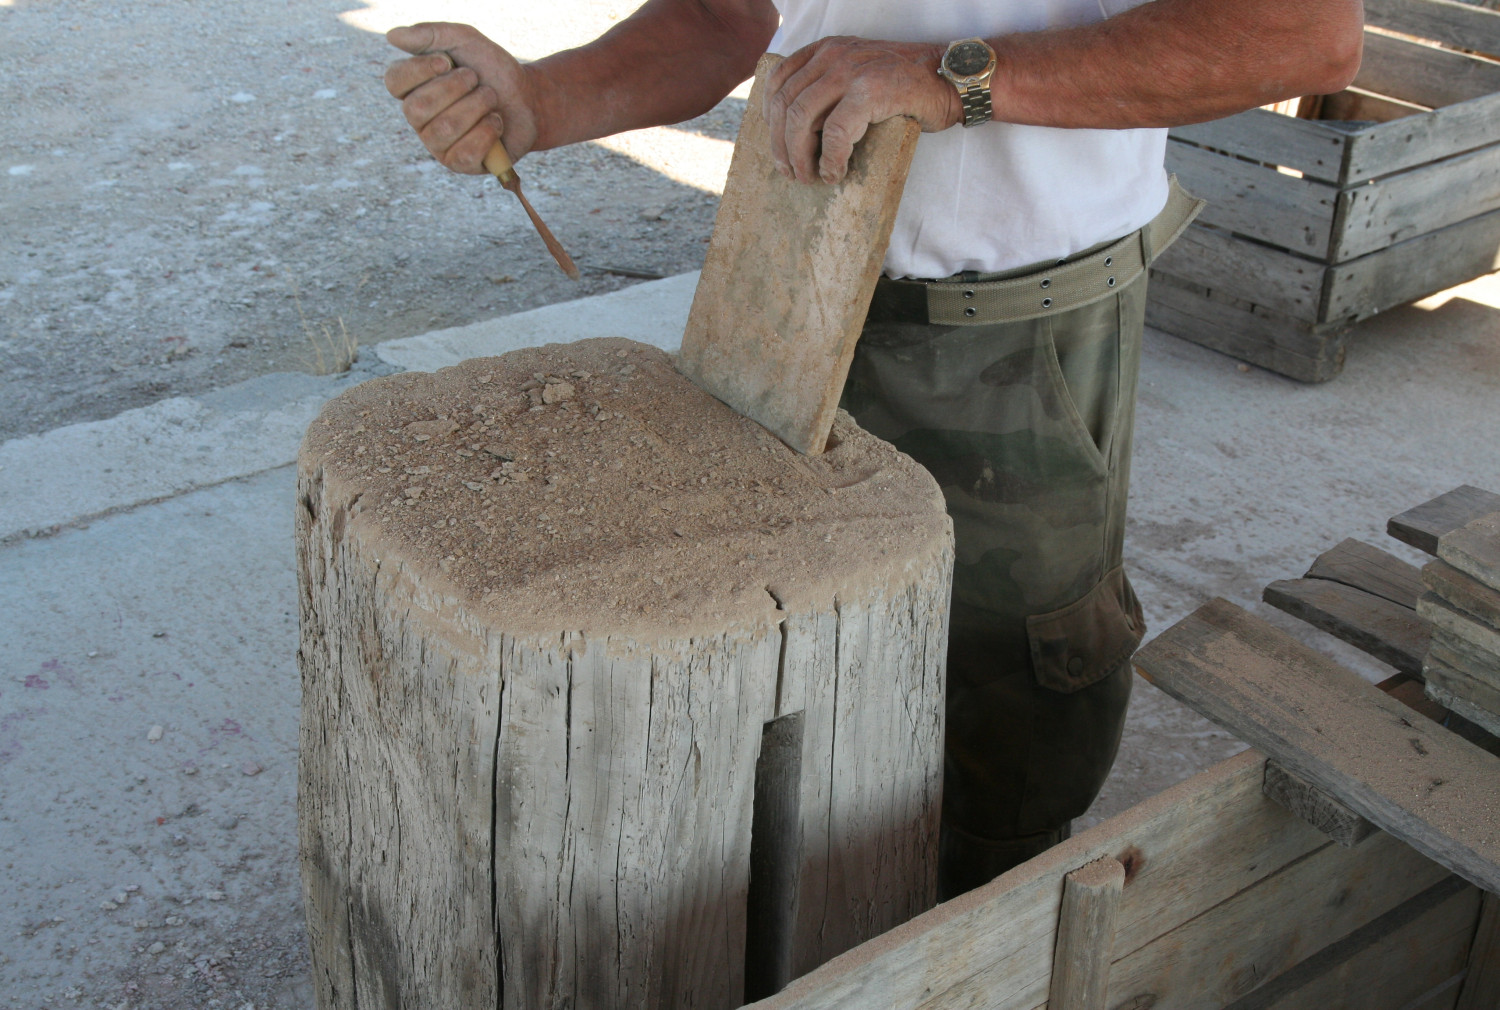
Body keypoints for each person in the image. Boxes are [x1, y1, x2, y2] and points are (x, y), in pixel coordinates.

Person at [382, 0, 1364, 899]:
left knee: (1006, 722)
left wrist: (955, 76)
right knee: (783, 698)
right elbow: (722, 17)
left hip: (1013, 338)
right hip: (789, 283)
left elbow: (1297, 31)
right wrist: (540, 99)